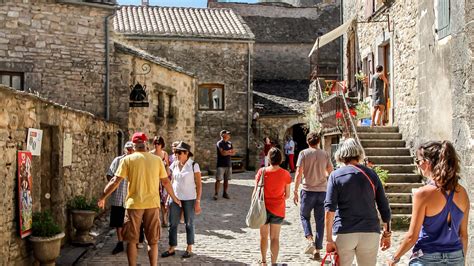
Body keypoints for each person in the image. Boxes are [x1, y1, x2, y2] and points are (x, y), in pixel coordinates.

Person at [98, 132, 181, 266]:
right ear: (146, 144)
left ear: (134, 145)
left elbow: (115, 181)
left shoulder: (128, 159)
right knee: (152, 241)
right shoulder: (157, 160)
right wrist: (175, 198)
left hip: (133, 205)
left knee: (132, 241)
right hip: (152, 204)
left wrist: (103, 197)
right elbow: (166, 182)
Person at [387, 141, 469, 265]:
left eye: (418, 161)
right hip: (456, 257)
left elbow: (411, 237)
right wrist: (461, 260)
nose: (418, 165)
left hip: (427, 256)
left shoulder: (423, 194)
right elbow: (463, 235)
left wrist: (394, 258)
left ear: (428, 163)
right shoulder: (462, 193)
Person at [324, 138, 391, 266]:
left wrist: (328, 239)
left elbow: (329, 210)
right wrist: (387, 234)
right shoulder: (371, 174)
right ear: (359, 153)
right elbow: (384, 206)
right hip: (370, 232)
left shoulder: (335, 175)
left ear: (340, 154)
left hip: (344, 232)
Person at [293, 132, 334, 260]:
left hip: (308, 190)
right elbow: (331, 171)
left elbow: (299, 173)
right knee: (320, 221)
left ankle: (310, 239)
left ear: (307, 142)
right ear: (318, 142)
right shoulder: (325, 154)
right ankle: (317, 250)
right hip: (322, 191)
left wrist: (295, 190)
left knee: (304, 216)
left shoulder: (303, 153)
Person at [162, 141, 202, 259]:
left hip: (189, 199)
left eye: (179, 152)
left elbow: (199, 184)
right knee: (172, 223)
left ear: (187, 153)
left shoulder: (194, 165)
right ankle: (172, 248)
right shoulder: (174, 164)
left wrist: (198, 202)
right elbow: (171, 181)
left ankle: (189, 248)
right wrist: (169, 197)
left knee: (189, 223)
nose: (176, 154)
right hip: (175, 198)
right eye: (175, 152)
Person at [254, 147, 291, 264]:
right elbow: (287, 195)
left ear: (268, 159)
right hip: (278, 209)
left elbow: (256, 191)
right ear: (281, 160)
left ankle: (264, 261)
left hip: (262, 208)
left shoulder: (262, 171)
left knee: (263, 236)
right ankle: (273, 263)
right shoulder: (285, 174)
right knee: (275, 238)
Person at [106, 141, 134, 254]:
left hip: (131, 197)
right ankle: (120, 242)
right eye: (127, 149)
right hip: (118, 196)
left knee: (131, 222)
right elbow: (109, 173)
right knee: (118, 222)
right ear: (124, 149)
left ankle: (132, 242)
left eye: (131, 148)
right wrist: (113, 184)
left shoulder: (136, 161)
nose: (129, 151)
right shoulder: (118, 160)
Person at [150, 136, 171, 227]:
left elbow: (167, 166)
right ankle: (156, 220)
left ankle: (164, 220)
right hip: (153, 180)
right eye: (155, 143)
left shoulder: (164, 154)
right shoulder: (150, 154)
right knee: (154, 200)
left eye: (158, 143)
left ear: (162, 144)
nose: (156, 145)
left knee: (164, 201)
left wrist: (167, 173)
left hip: (163, 180)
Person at [214, 130, 235, 200]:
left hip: (228, 164)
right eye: (227, 134)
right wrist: (229, 152)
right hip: (221, 164)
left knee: (226, 180)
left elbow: (233, 152)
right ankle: (216, 193)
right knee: (218, 179)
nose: (229, 135)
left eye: (229, 134)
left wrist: (227, 152)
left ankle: (225, 193)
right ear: (223, 135)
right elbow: (222, 153)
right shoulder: (219, 143)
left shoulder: (230, 143)